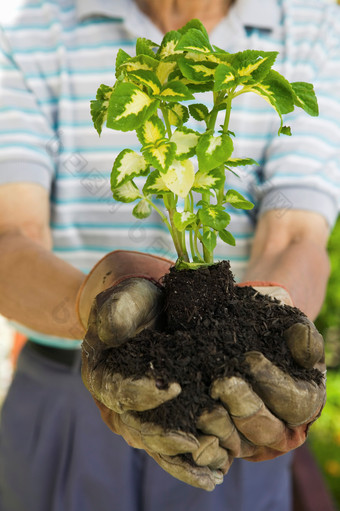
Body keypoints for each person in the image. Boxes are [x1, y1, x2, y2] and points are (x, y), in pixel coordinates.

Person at [0, 0, 339, 510]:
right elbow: (11, 234)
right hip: (66, 389)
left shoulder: (313, 25)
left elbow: (293, 236)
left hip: (232, 407)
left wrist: (278, 320)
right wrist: (97, 305)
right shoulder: (30, 25)